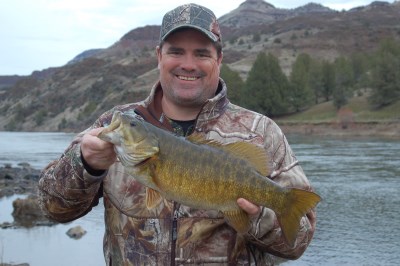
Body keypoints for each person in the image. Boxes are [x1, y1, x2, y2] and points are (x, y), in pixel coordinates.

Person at [38, 3, 318, 265]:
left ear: (218, 59)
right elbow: (53, 208)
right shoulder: (114, 124)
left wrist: (258, 217)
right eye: (176, 52)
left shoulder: (262, 132)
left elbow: (298, 243)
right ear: (159, 55)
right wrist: (86, 165)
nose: (188, 64)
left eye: (202, 53)